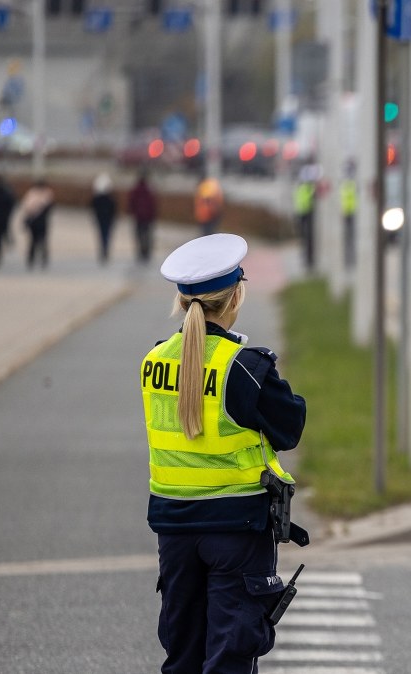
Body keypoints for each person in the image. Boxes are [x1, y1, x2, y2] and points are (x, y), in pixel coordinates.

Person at [144, 233, 307, 674]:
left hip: (174, 529)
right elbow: (290, 427)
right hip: (235, 530)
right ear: (236, 295)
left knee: (182, 655)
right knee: (230, 657)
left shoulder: (154, 361)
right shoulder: (245, 368)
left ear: (181, 302)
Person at [20, 179, 54, 270]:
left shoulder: (32, 193)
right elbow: (50, 208)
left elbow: (26, 207)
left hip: (36, 222)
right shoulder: (46, 194)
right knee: (40, 241)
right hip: (40, 222)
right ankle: (41, 258)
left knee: (34, 241)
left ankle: (33, 258)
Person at [128, 170, 159, 265]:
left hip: (139, 217)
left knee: (139, 235)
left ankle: (141, 252)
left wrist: (132, 212)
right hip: (148, 217)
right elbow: (153, 203)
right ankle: (146, 252)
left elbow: (131, 202)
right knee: (147, 235)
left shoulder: (135, 189)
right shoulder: (149, 189)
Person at [91, 173, 117, 265]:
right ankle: (105, 250)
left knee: (102, 235)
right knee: (106, 235)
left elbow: (93, 208)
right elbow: (113, 209)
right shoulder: (110, 199)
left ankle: (103, 250)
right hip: (107, 219)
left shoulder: (97, 199)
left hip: (101, 219)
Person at [293, 170, 316, 271]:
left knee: (305, 237)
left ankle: (308, 258)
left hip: (304, 214)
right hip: (307, 214)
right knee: (306, 237)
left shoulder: (301, 187)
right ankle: (308, 258)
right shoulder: (308, 188)